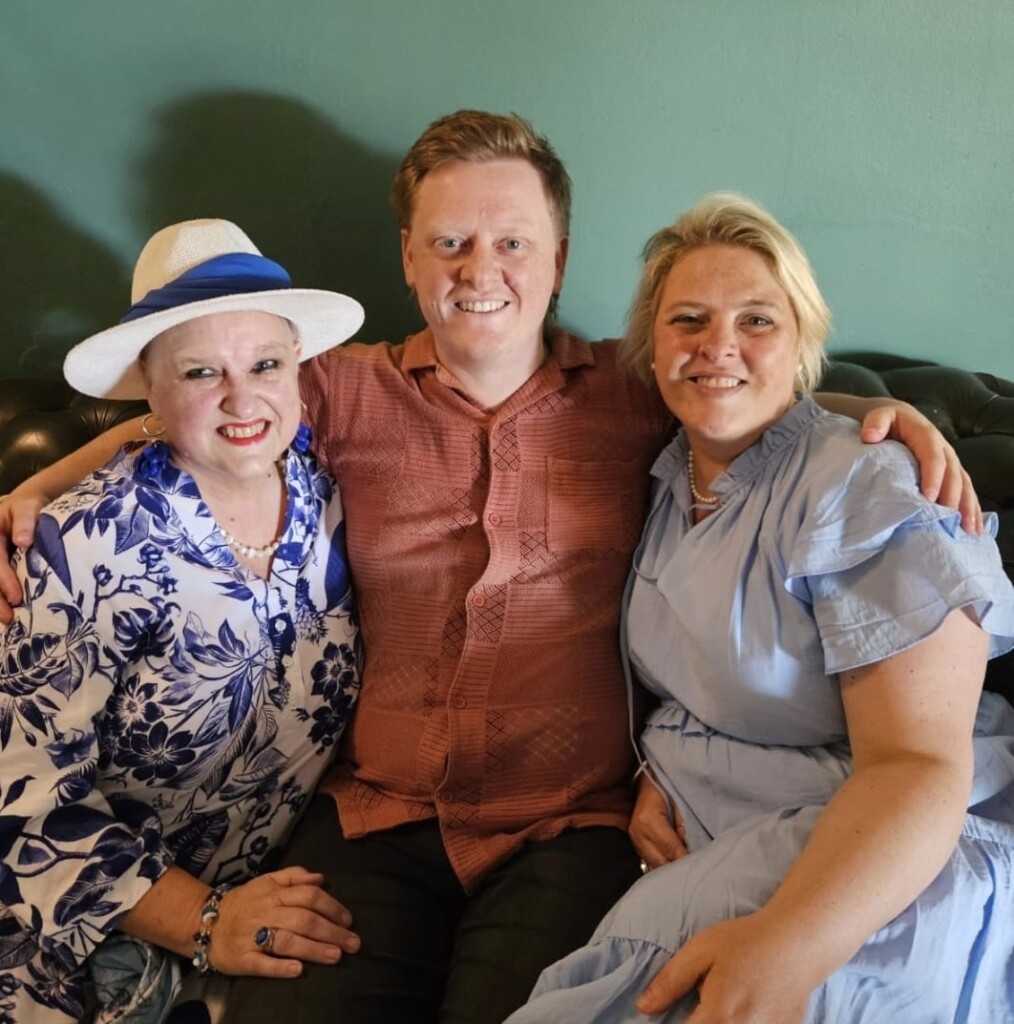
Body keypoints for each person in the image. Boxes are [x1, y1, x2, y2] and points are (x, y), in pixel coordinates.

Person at [0, 113, 983, 1024]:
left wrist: (892, 421)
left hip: (570, 827)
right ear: (409, 258)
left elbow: (746, 394)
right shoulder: (340, 390)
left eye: (513, 241)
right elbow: (194, 403)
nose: (482, 269)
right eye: (450, 242)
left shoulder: (635, 392)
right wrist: (36, 490)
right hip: (377, 814)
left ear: (557, 260)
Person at [505, 193, 1014, 1024]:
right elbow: (696, 669)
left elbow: (921, 767)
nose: (719, 347)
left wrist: (788, 945)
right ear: (652, 347)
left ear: (805, 341)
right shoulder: (671, 479)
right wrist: (661, 769)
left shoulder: (866, 486)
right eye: (690, 321)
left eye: (757, 321)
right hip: (731, 838)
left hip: (881, 862)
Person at [0, 218, 365, 1024]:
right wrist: (207, 921)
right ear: (151, 388)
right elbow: (16, 811)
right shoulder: (82, 551)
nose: (243, 397)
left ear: (297, 370)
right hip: (69, 942)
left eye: (266, 363)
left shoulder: (325, 491)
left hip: (263, 910)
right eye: (202, 371)